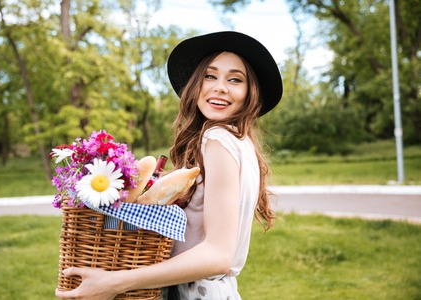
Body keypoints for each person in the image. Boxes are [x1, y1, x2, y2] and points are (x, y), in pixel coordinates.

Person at [55, 31, 283, 300]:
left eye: (235, 79)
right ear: (196, 83)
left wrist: (117, 282)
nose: (220, 87)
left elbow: (219, 255)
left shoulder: (217, 139)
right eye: (210, 76)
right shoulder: (240, 141)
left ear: (250, 93)